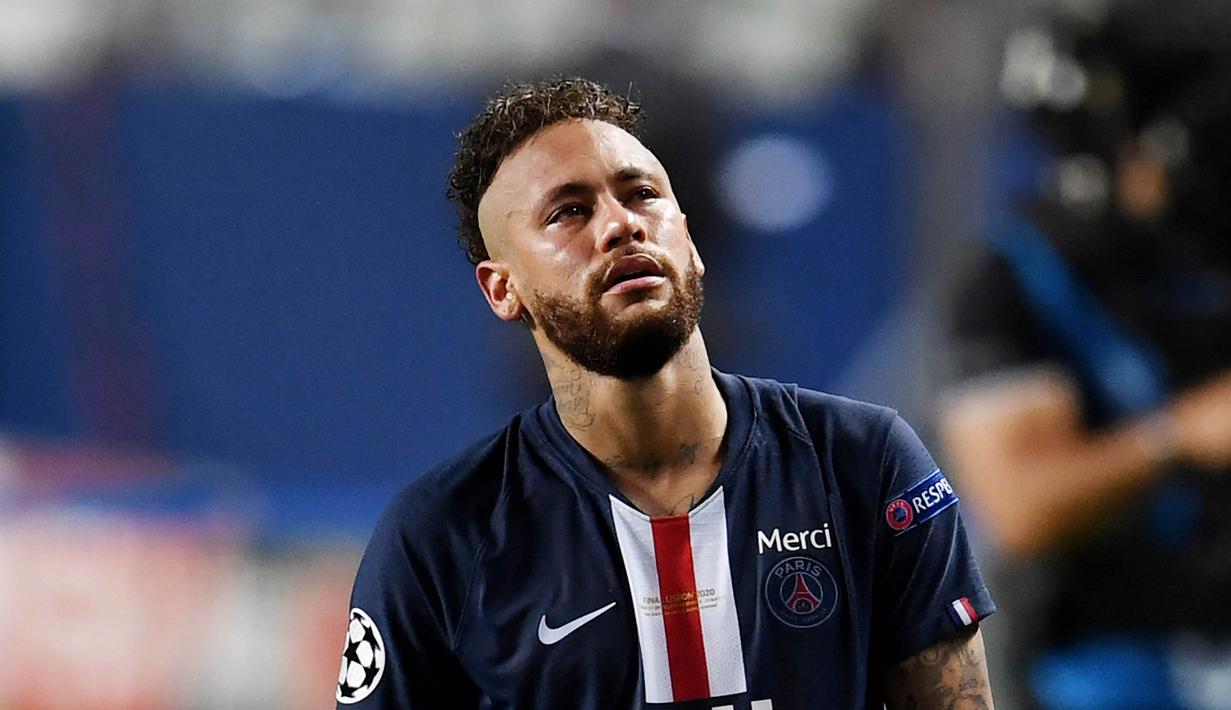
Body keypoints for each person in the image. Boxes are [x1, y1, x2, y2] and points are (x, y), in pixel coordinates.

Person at [335, 77, 995, 709]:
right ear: (501, 289)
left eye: (640, 194)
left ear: (689, 237)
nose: (620, 225)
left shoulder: (863, 466)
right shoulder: (441, 537)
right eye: (568, 211)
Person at [939, 2, 1231, 708]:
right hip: (1112, 661)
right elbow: (1017, 508)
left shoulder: (1207, 247)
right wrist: (1176, 437)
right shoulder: (1024, 273)